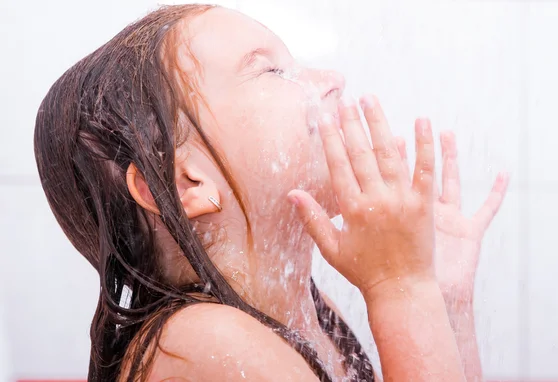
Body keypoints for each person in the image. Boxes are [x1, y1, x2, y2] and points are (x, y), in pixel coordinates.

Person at [33, 4, 508, 381]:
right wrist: (402, 291)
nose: (331, 81)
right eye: (272, 72)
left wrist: (444, 302)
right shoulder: (205, 341)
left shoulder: (310, 318)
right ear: (187, 183)